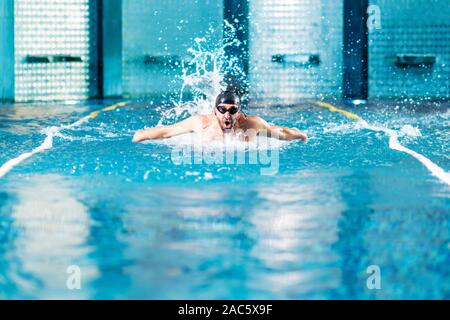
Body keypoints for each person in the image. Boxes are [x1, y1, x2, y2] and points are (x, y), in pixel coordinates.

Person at [132, 91, 307, 143]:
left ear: (239, 113)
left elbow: (281, 132)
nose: (227, 115)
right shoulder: (201, 123)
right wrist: (141, 135)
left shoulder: (251, 124)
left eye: (232, 110)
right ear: (214, 111)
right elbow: (167, 131)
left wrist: (300, 135)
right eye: (222, 110)